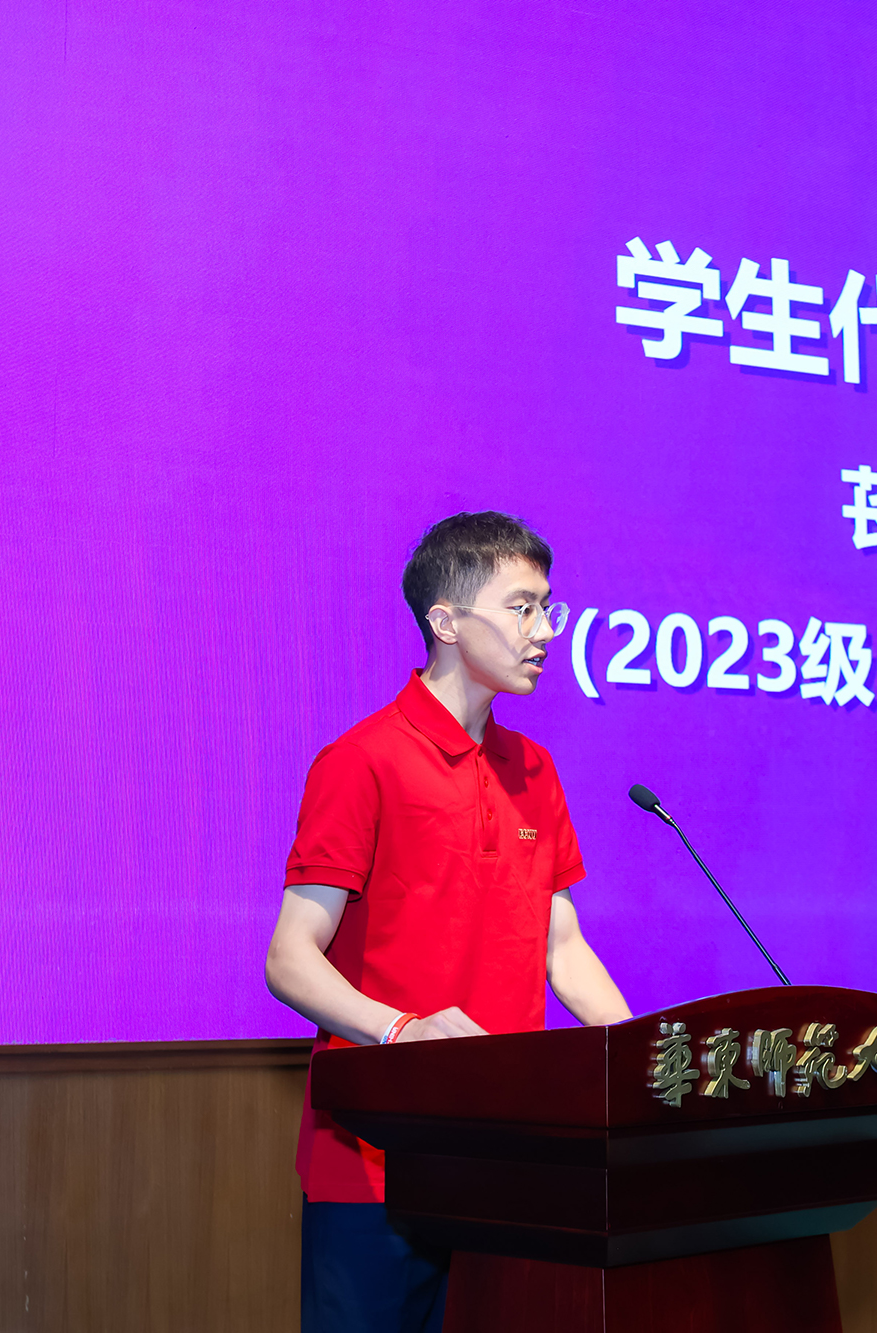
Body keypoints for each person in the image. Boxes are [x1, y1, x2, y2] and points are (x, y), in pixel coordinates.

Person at [265, 511, 632, 1333]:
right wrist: (402, 1031)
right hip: (376, 1162)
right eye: (521, 607)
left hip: (505, 1154)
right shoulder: (362, 759)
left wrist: (641, 1058)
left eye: (547, 608)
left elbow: (561, 945)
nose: (544, 631)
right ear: (446, 620)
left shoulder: (534, 768)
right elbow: (289, 958)